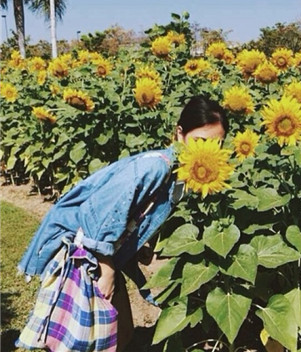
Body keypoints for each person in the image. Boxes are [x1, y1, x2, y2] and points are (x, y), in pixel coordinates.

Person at [16, 95, 229, 352]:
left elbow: (137, 213)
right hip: (84, 250)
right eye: (200, 142)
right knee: (87, 336)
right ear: (179, 133)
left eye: (216, 145)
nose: (206, 152)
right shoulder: (156, 167)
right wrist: (107, 269)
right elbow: (101, 216)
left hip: (100, 252)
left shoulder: (178, 173)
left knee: (118, 332)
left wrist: (140, 244)